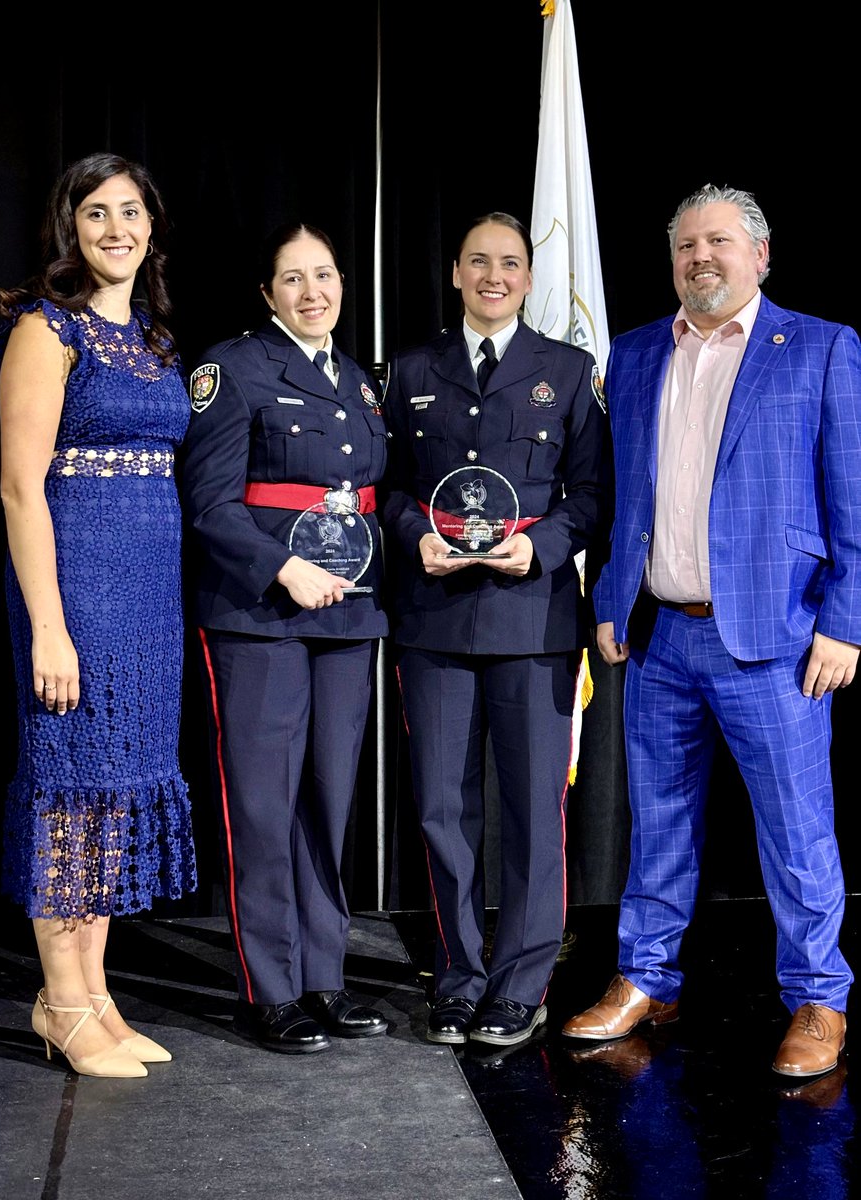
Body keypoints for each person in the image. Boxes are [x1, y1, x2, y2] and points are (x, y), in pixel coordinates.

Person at [561, 184, 859, 1079]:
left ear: (760, 255)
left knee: (796, 830)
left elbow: (850, 499)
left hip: (776, 637)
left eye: (720, 241)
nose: (702, 257)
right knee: (657, 824)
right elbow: (626, 498)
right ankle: (647, 977)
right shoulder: (639, 350)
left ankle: (818, 996)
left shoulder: (818, 347)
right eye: (687, 243)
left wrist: (844, 622)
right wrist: (613, 600)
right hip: (662, 637)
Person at [0, 152, 197, 1079]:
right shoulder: (45, 328)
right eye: (96, 214)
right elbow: (20, 490)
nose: (117, 229)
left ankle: (96, 995)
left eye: (131, 212)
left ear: (151, 225)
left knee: (114, 790)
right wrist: (50, 626)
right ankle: (60, 1002)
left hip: (149, 598)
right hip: (75, 597)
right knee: (71, 790)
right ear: (71, 227)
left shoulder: (150, 338)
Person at [382, 211, 609, 1048]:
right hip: (435, 620)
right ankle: (457, 974)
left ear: (528, 276)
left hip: (534, 619)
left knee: (532, 811)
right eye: (478, 261)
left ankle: (521, 982)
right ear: (455, 272)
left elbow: (589, 496)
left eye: (510, 263)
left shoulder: (569, 370)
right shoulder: (411, 370)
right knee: (443, 809)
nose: (493, 276)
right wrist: (415, 537)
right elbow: (391, 488)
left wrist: (540, 548)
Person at [180, 223, 390, 1055]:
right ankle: (268, 989)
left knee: (329, 799)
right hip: (261, 616)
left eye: (326, 274)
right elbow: (211, 504)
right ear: (267, 295)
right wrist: (281, 569)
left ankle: (324, 977)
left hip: (349, 613)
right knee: (263, 806)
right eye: (293, 279)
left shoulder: (365, 384)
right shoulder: (229, 370)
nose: (314, 291)